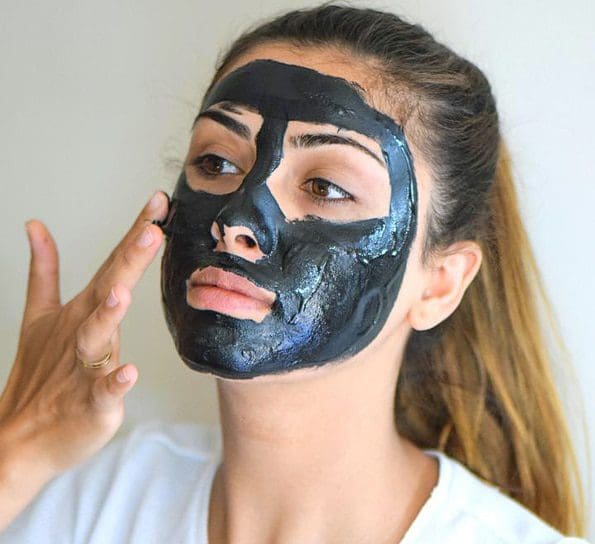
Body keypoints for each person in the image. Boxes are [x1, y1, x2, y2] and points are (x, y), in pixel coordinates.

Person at [0, 4, 589, 543]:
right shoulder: (82, 502)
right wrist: (21, 447)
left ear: (441, 284)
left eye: (326, 187)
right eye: (216, 162)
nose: (236, 221)